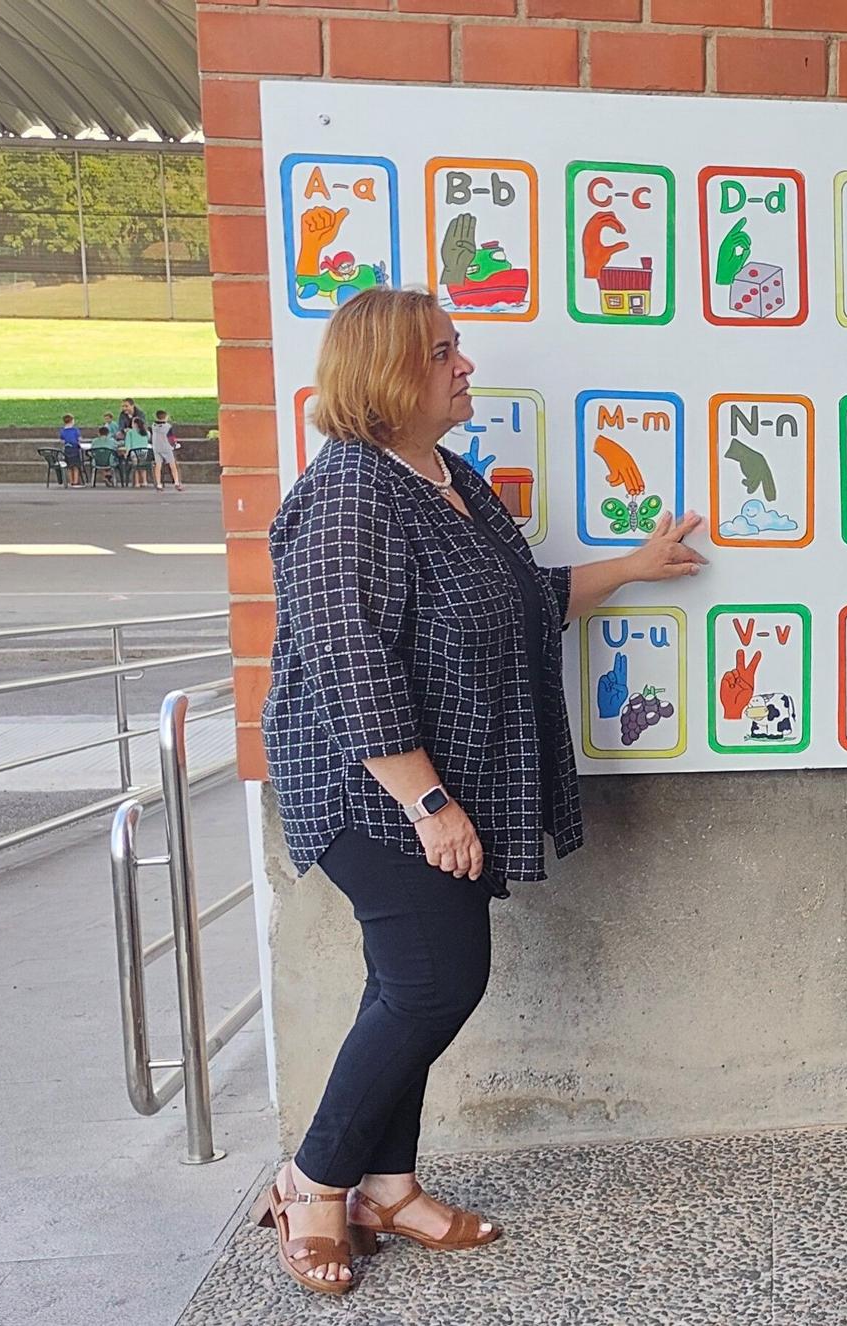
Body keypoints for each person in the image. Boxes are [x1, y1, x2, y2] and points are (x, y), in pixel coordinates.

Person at [257, 287, 707, 1296]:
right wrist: (426, 803)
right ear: (386, 375)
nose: (464, 366)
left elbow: (524, 594)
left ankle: (387, 1183)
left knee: (402, 985)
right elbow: (347, 659)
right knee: (433, 985)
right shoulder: (349, 495)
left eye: (457, 348)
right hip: (374, 795)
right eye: (440, 353)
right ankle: (314, 1181)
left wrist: (631, 567)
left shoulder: (445, 475)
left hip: (438, 784)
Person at [148, 409, 182, 491]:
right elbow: (171, 437)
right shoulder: (167, 427)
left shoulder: (153, 426)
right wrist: (174, 444)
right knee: (172, 465)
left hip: (156, 448)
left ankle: (159, 483)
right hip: (166, 447)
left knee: (158, 466)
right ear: (166, 417)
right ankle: (176, 482)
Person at [59, 414, 83, 487]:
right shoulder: (75, 430)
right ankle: (76, 481)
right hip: (74, 449)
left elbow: (62, 440)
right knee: (75, 466)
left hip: (67, 449)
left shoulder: (62, 431)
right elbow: (79, 439)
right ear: (72, 421)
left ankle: (71, 481)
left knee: (69, 467)